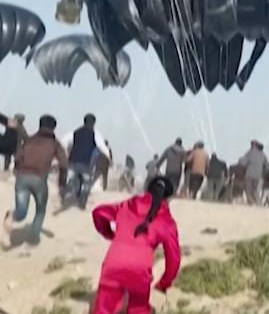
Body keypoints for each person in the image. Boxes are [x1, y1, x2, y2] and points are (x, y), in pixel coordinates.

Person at [91, 176, 180, 314]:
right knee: (139, 309)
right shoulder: (167, 221)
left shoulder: (127, 205)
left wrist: (109, 234)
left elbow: (98, 212)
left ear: (147, 190)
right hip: (140, 270)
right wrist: (164, 283)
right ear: (168, 198)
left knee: (103, 310)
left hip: (113, 263)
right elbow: (174, 259)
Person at [2, 115, 67, 244]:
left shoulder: (29, 140)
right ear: (54, 128)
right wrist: (62, 182)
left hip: (22, 178)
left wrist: (17, 170)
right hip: (39, 180)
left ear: (40, 125)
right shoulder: (54, 143)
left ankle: (12, 216)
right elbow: (64, 164)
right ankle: (33, 238)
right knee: (40, 210)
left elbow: (18, 156)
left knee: (21, 211)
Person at [62, 114, 111, 209]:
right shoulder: (95, 134)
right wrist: (109, 158)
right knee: (86, 183)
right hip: (86, 163)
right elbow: (102, 147)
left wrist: (66, 155)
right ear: (94, 123)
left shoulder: (75, 132)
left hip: (73, 161)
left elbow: (65, 143)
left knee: (73, 181)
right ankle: (82, 202)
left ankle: (67, 197)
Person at [239, 141, 269, 205]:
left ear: (253, 145)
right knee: (255, 191)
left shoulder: (250, 152)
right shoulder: (263, 154)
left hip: (249, 174)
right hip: (258, 175)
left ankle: (252, 203)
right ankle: (258, 203)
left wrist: (240, 159)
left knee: (248, 191)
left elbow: (243, 162)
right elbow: (267, 166)